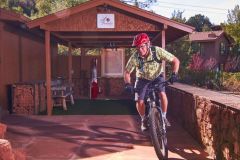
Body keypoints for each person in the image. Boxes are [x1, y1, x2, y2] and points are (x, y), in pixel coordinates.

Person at [124, 33, 179, 132]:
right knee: (139, 101)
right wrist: (128, 84)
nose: (140, 50)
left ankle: (164, 116)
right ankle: (143, 119)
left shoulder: (157, 51)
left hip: (157, 76)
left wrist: (174, 74)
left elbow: (175, 61)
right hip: (142, 79)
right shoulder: (135, 57)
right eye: (137, 48)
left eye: (142, 47)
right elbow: (127, 72)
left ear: (148, 44)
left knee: (162, 94)